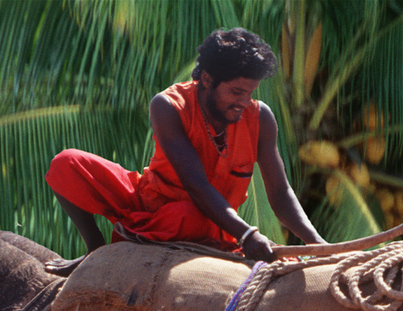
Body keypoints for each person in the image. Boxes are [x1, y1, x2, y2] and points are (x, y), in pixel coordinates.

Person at [45, 28, 325, 262]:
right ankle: (94, 249)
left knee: (195, 218)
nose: (244, 102)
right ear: (207, 80)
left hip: (212, 224)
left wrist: (317, 244)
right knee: (66, 163)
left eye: (250, 93)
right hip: (154, 206)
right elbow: (197, 185)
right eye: (236, 92)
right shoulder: (167, 106)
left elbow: (279, 192)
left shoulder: (260, 116)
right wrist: (248, 235)